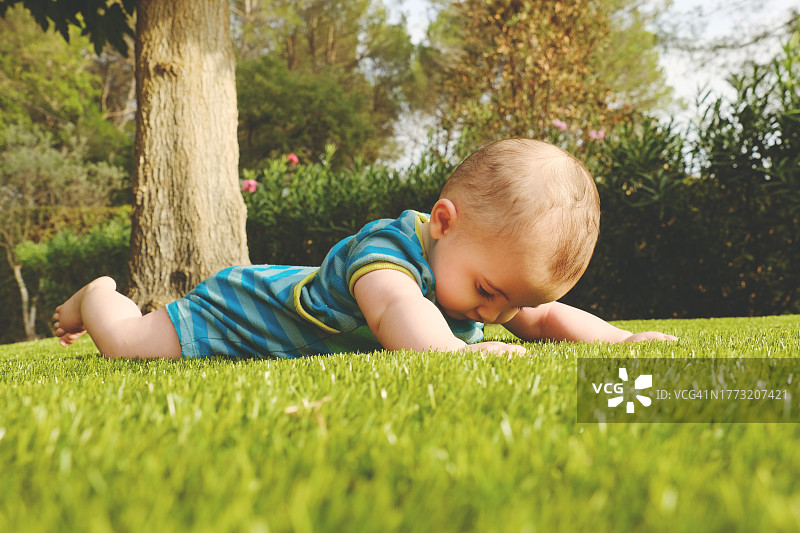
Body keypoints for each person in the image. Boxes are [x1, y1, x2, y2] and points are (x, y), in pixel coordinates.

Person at [53, 139, 676, 360]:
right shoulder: (388, 250)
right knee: (132, 346)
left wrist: (622, 345)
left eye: (509, 303)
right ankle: (100, 295)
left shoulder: (487, 282)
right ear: (444, 222)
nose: (492, 316)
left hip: (292, 309)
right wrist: (449, 357)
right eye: (488, 292)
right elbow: (392, 311)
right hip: (241, 311)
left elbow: (543, 316)